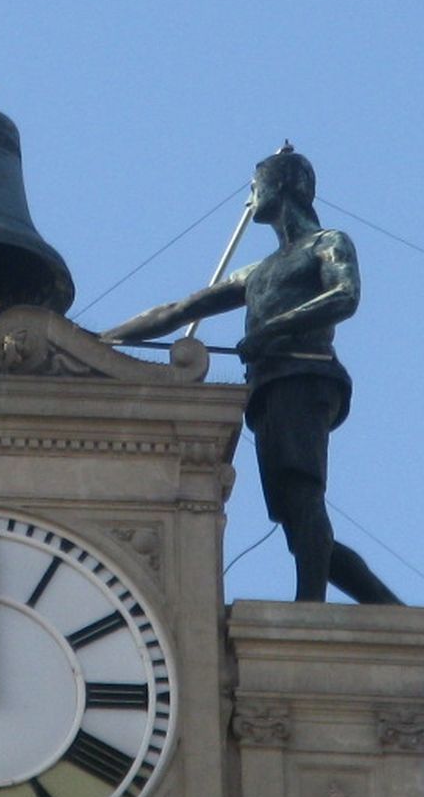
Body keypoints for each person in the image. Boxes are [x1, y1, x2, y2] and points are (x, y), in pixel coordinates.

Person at [101, 146, 401, 604]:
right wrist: (103, 340)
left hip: (305, 376)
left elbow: (345, 295)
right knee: (296, 521)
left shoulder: (327, 243)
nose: (249, 199)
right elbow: (180, 310)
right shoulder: (259, 272)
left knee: (302, 495)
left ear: (280, 187)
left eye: (255, 187)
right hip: (270, 389)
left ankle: (310, 609)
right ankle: (384, 606)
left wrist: (271, 330)